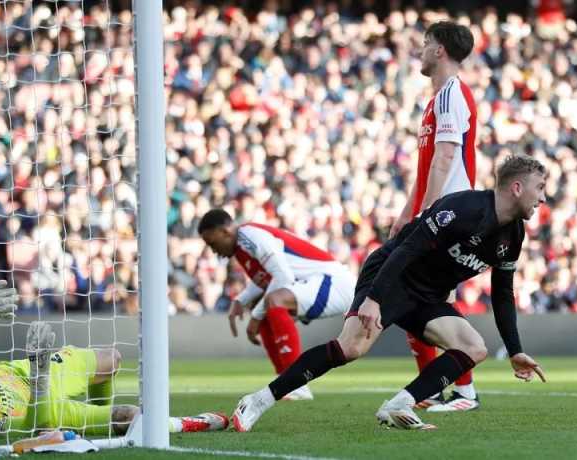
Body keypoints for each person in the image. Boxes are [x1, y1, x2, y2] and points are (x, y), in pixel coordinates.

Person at [232, 154, 548, 432]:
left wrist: (514, 349)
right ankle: (258, 400)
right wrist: (374, 298)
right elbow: (407, 248)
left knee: (473, 347)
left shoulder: (514, 235)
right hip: (392, 276)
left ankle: (398, 405)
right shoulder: (462, 208)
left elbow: (503, 293)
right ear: (517, 188)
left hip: (429, 294)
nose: (543, 198)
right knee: (350, 348)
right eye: (540, 188)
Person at [0, 281, 227, 436]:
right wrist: (40, 379)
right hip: (42, 404)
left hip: (27, 369)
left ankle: (100, 420)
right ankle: (190, 423)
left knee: (112, 358)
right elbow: (31, 427)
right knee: (130, 418)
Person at [388, 21, 480, 411]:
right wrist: (408, 212)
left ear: (440, 50)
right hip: (442, 213)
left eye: (426, 43)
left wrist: (427, 215)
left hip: (451, 214)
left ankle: (461, 390)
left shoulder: (450, 96)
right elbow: (428, 165)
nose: (421, 50)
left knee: (415, 297)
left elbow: (445, 157)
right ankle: (447, 389)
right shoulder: (437, 100)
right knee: (418, 298)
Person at [198, 210, 355, 401]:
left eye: (213, 243)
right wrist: (240, 300)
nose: (214, 251)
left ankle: (297, 385)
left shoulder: (249, 236)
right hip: (316, 282)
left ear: (225, 232)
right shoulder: (240, 246)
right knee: (266, 305)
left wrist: (255, 317)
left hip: (334, 283)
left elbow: (282, 277)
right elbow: (266, 278)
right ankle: (284, 381)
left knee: (273, 300)